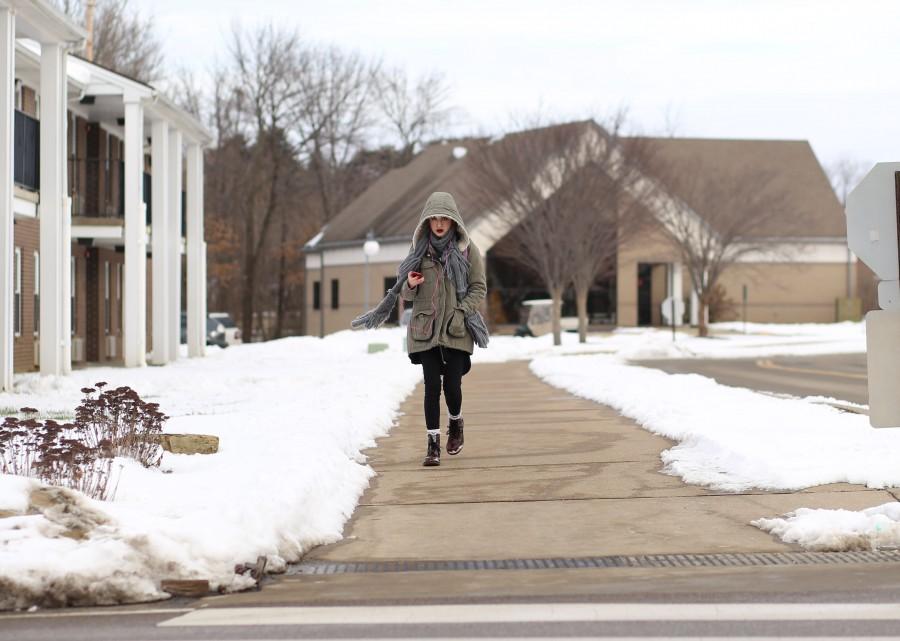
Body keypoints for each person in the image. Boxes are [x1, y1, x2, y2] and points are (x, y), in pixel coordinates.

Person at [352, 192, 488, 466]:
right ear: (426, 221)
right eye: (434, 218)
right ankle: (432, 445)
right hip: (425, 329)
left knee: (452, 385)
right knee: (430, 386)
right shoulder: (418, 251)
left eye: (444, 219)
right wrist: (411, 285)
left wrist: (461, 312)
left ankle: (456, 423)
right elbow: (405, 294)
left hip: (456, 328)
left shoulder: (467, 250)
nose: (439, 223)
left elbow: (479, 288)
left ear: (453, 222)